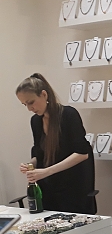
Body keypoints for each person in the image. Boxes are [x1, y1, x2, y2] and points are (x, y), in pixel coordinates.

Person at [16, 74, 96, 214]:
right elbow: (39, 153)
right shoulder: (36, 121)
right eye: (25, 104)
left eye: (31, 102)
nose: (29, 108)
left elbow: (82, 153)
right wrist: (30, 165)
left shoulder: (69, 115)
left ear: (44, 95)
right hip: (49, 189)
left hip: (73, 188)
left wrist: (47, 171)